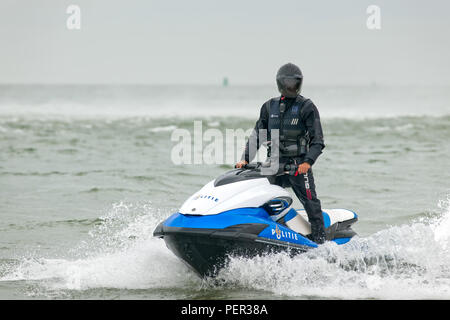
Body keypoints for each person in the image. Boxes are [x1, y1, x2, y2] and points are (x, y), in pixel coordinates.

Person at [235, 63, 327, 244]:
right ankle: (261, 233)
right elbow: (257, 137)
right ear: (280, 83)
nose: (291, 86)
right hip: (274, 164)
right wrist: (245, 159)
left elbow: (318, 141)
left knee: (311, 203)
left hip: (298, 166)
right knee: (258, 196)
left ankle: (320, 243)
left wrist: (307, 162)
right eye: (288, 82)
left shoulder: (307, 107)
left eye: (295, 82)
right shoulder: (269, 107)